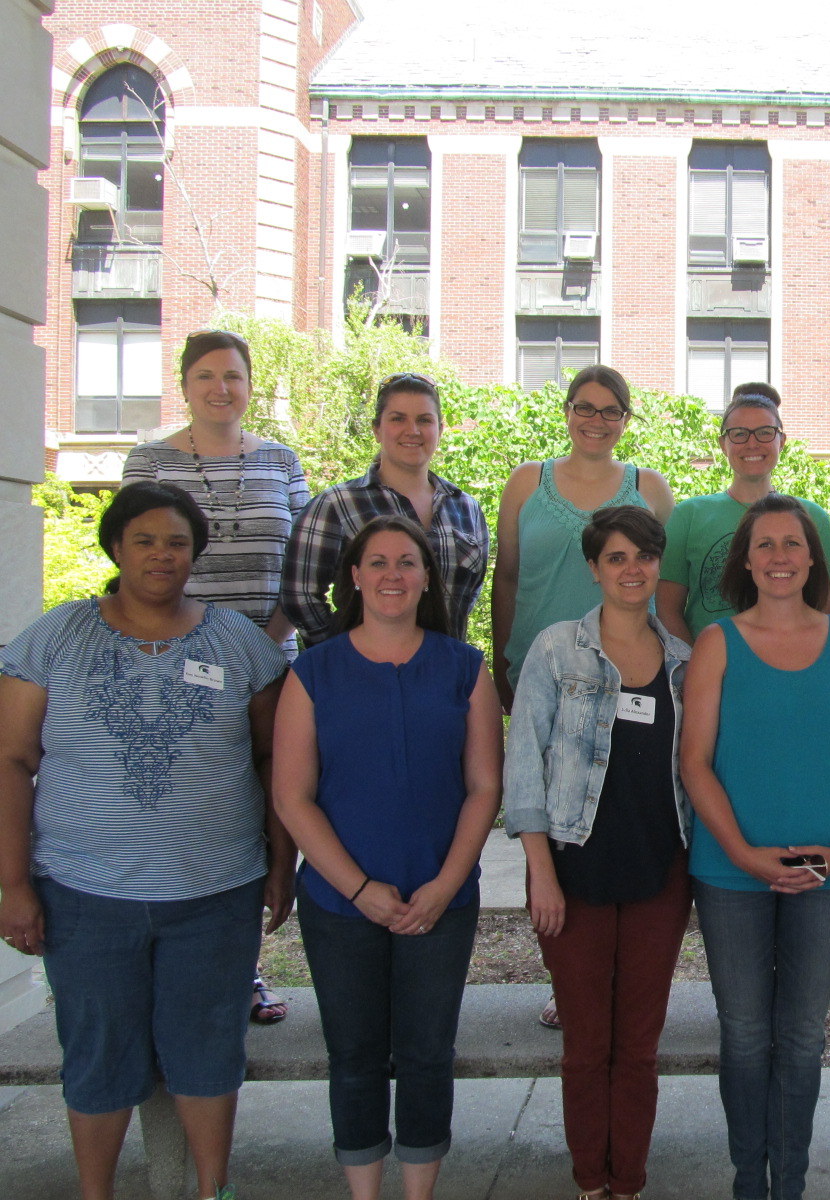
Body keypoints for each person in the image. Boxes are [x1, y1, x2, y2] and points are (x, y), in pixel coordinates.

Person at [0, 480, 290, 1200]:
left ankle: (211, 1189)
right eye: (145, 540)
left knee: (208, 1052)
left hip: (215, 894)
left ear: (197, 553)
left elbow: (273, 761)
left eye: (178, 542)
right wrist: (12, 883)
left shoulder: (240, 644)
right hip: (84, 894)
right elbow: (10, 758)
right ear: (116, 548)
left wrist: (282, 866)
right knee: (98, 1056)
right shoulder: (54, 637)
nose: (162, 555)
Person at [272, 515, 502, 1200]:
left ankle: (418, 1193)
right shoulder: (313, 671)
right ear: (354, 577)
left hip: (443, 899)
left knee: (429, 1057)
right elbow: (293, 798)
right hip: (341, 906)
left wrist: (444, 885)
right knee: (355, 1058)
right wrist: (360, 887)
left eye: (407, 562)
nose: (393, 575)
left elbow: (484, 786)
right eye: (377, 562)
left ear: (427, 577)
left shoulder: (465, 666)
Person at [680, 493, 830, 1200]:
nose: (779, 558)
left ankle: (787, 1184)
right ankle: (747, 1183)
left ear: (813, 559)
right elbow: (694, 761)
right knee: (744, 1034)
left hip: (826, 868)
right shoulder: (717, 643)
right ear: (745, 560)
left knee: (800, 1036)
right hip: (731, 870)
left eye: (791, 544)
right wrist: (741, 852)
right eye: (764, 545)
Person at [503, 507, 694, 1200]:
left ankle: (629, 1181)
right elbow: (523, 766)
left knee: (638, 1046)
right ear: (594, 568)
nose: (632, 569)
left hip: (658, 876)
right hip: (573, 872)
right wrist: (540, 875)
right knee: (586, 1045)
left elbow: (693, 773)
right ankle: (591, 1180)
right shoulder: (556, 651)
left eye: (644, 556)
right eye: (616, 557)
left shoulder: (684, 661)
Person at [121, 327, 307, 1026]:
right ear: (185, 382)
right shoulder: (150, 460)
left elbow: (303, 563)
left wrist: (263, 645)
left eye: (233, 375)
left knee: (261, 803)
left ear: (249, 384)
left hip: (269, 659)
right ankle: (168, 962)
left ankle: (243, 969)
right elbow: (136, 558)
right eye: (206, 375)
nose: (220, 388)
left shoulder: (282, 461)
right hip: (171, 664)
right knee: (186, 802)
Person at [493, 364, 674, 710]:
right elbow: (505, 579)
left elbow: (667, 585)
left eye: (611, 411)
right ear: (567, 411)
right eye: (585, 408)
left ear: (626, 420)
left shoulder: (650, 488)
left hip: (629, 677)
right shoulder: (525, 482)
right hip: (539, 674)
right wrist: (501, 664)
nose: (597, 420)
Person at [282, 371, 489, 647]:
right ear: (377, 429)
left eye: (424, 420)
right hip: (361, 682)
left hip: (447, 677)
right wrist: (342, 654)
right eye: (398, 419)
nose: (412, 430)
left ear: (440, 429)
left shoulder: (466, 508)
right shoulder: (336, 505)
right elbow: (299, 596)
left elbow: (468, 595)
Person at [658, 384, 830, 642]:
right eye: (739, 434)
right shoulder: (687, 516)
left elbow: (825, 606)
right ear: (723, 443)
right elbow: (667, 610)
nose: (752, 443)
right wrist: (696, 668)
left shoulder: (812, 517)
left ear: (782, 441)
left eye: (764, 432)